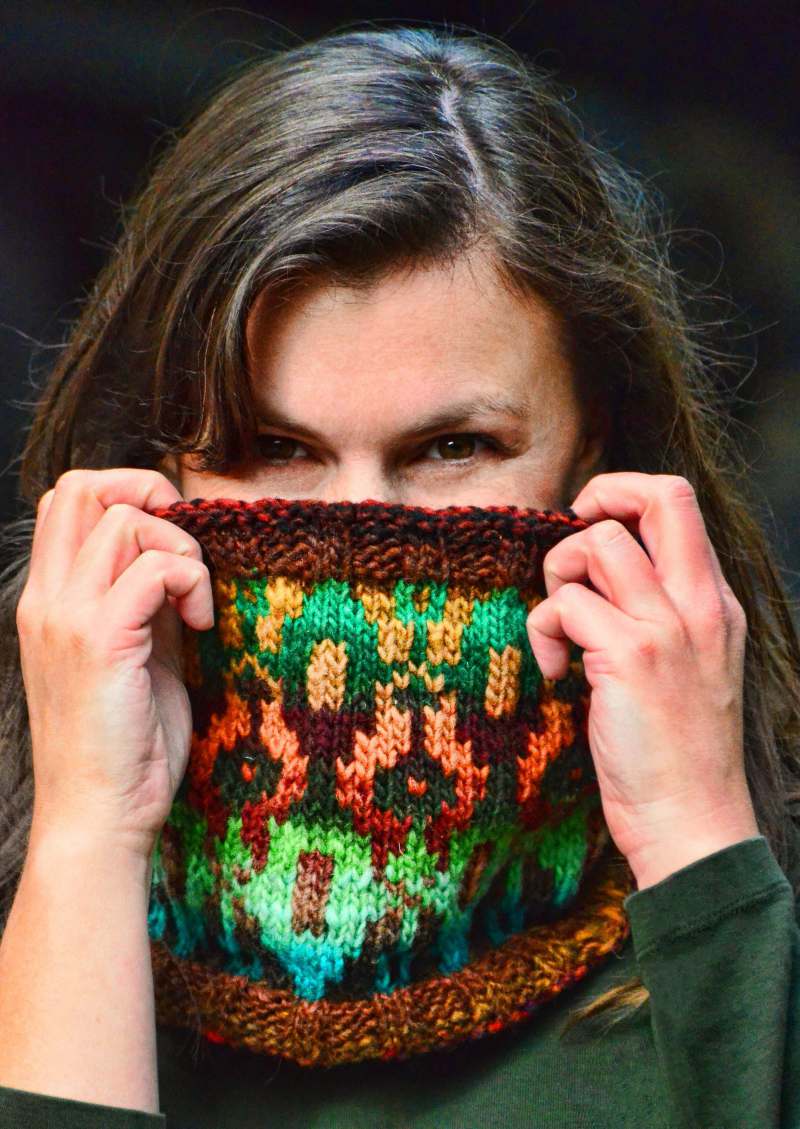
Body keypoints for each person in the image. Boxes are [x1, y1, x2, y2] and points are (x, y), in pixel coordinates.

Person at [0, 21, 798, 1129]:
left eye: (452, 447)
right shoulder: (42, 900)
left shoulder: (742, 890)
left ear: (597, 454)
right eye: (273, 447)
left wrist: (697, 841)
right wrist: (87, 839)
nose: (355, 532)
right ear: (153, 465)